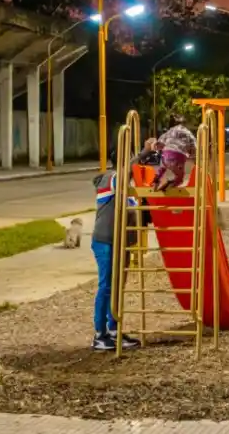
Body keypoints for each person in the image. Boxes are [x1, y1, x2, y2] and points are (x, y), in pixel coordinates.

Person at [90, 137, 155, 351]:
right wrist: (144, 152)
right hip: (106, 241)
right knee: (106, 286)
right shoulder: (111, 178)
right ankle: (100, 335)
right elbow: (126, 172)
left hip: (120, 243)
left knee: (117, 287)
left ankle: (114, 328)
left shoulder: (126, 189)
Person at [154, 114, 197, 191]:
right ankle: (170, 184)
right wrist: (194, 159)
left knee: (162, 166)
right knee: (180, 177)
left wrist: (156, 147)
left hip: (166, 155)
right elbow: (194, 146)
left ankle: (157, 179)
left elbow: (159, 144)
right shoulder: (188, 132)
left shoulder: (169, 131)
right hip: (178, 158)